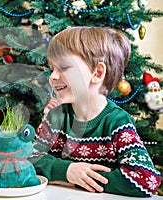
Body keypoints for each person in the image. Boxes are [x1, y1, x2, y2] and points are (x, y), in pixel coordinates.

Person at [32, 26, 161, 197]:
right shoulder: (56, 117)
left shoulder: (117, 121)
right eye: (52, 68)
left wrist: (82, 178)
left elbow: (145, 179)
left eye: (63, 67)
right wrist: (68, 171)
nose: (52, 76)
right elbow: (28, 158)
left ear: (97, 73)